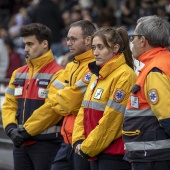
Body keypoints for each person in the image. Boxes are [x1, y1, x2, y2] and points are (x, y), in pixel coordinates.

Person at [72, 26, 137, 170]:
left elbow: (111, 120)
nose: (95, 52)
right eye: (94, 47)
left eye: (100, 47)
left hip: (113, 155)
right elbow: (83, 110)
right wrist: (78, 140)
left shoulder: (125, 75)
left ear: (115, 48)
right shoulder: (97, 74)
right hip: (93, 150)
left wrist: (87, 147)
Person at [2, 23, 63, 170]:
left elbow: (52, 109)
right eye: (24, 44)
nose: (25, 49)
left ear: (44, 44)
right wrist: (10, 129)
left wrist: (25, 131)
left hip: (45, 146)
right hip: (20, 144)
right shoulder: (18, 73)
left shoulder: (59, 73)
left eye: (30, 44)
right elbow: (9, 104)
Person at [122, 15, 170, 170]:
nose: (132, 42)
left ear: (142, 41)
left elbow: (167, 117)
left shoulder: (155, 70)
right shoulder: (163, 62)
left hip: (154, 156)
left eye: (133, 37)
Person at [48, 20, 96, 170]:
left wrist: (64, 99)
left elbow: (71, 103)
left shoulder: (95, 66)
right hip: (67, 139)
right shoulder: (70, 65)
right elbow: (51, 97)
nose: (68, 43)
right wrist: (65, 100)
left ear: (88, 40)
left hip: (84, 140)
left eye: (73, 39)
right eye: (68, 39)